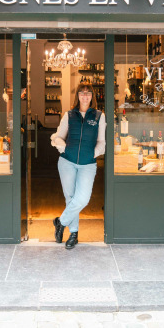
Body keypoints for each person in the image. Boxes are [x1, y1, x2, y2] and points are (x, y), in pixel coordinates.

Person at [50, 82, 106, 249]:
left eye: (88, 93)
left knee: (83, 199)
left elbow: (102, 142)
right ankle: (73, 234)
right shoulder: (69, 115)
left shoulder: (99, 116)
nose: (85, 95)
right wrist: (63, 148)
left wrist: (93, 153)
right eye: (82, 92)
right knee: (70, 198)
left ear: (92, 97)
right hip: (67, 162)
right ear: (78, 96)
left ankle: (60, 222)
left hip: (88, 164)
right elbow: (58, 136)